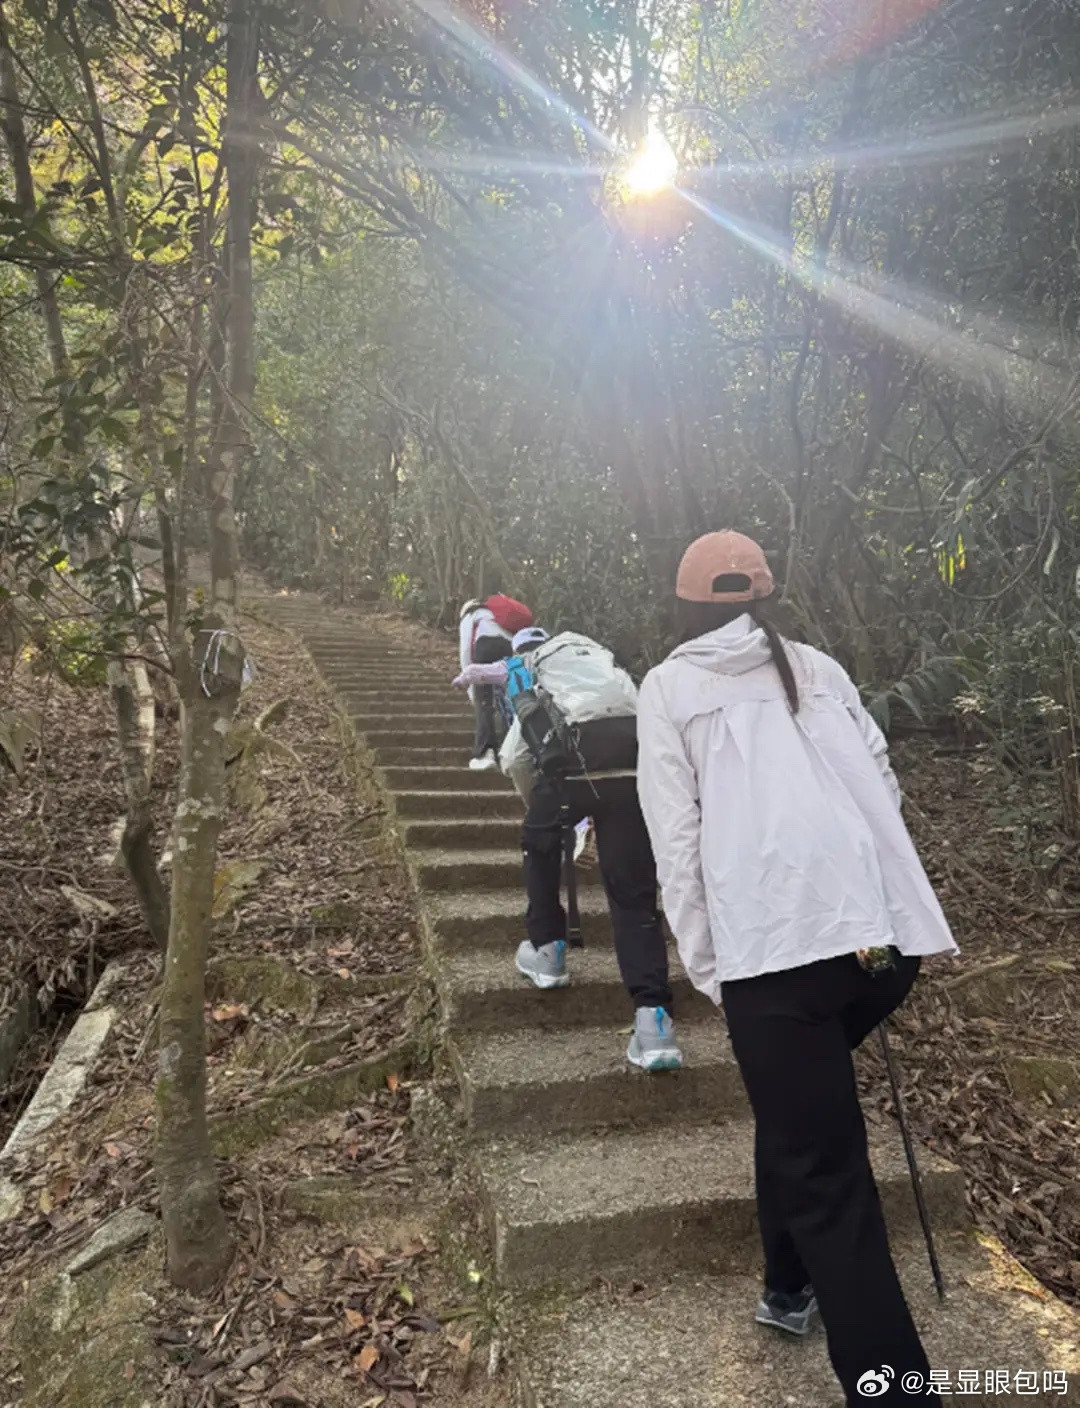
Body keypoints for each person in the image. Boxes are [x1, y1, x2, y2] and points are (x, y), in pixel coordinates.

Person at [636, 530, 958, 1406]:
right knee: (798, 1112)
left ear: (686, 603)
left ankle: (893, 1390)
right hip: (881, 949)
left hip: (774, 964)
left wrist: (711, 965)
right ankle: (787, 1287)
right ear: (764, 596)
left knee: (824, 1169)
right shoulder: (819, 667)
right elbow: (880, 780)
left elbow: (677, 837)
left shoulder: (667, 688)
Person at [455, 626, 682, 1071]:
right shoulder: (603, 662)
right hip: (631, 771)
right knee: (634, 898)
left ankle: (548, 951)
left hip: (571, 769)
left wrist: (544, 812)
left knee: (538, 844)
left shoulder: (530, 670)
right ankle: (655, 1023)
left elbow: (518, 757)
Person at [458, 595, 533, 771]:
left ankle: (485, 753)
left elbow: (466, 648)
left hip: (486, 646)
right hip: (508, 647)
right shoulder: (497, 615)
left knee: (484, 701)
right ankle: (512, 751)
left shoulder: (471, 614)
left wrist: (470, 684)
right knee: (508, 702)